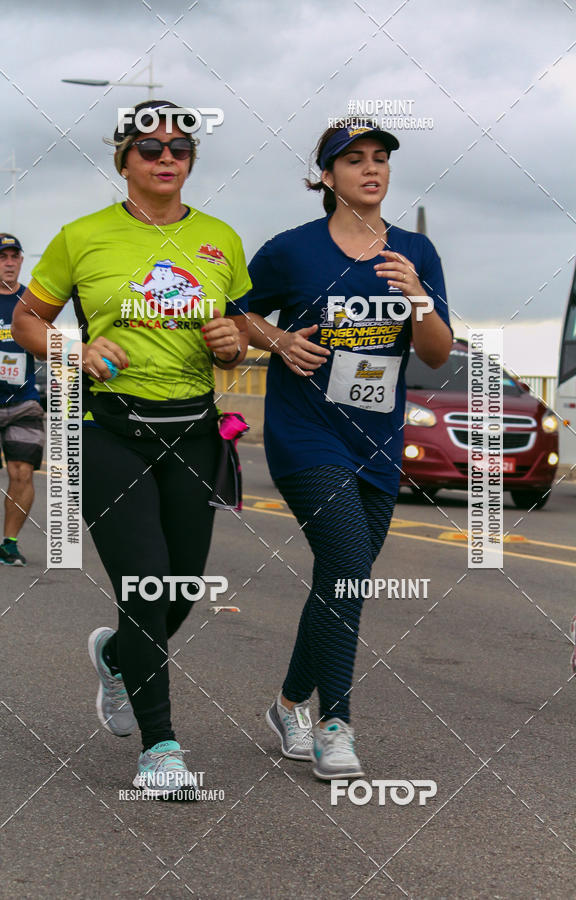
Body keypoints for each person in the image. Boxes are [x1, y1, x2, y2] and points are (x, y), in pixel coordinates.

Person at [12, 100, 250, 798]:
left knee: (177, 587)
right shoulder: (82, 237)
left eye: (180, 146)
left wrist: (235, 340)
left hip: (194, 429)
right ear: (123, 160)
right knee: (145, 580)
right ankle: (161, 748)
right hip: (107, 428)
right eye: (148, 147)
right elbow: (30, 318)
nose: (166, 157)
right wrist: (73, 347)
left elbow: (236, 325)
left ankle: (117, 655)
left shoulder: (221, 238)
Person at [242, 122, 452, 780]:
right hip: (305, 434)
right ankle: (336, 725)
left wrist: (417, 296)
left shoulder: (416, 251)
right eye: (353, 160)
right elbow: (237, 312)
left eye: (380, 159)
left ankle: (285, 704)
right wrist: (277, 341)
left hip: (379, 441)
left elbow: (437, 352)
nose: (371, 169)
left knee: (345, 578)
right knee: (345, 559)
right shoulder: (292, 252)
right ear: (326, 177)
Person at [0, 233, 44, 566]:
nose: (9, 262)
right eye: (1, 256)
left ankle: (9, 543)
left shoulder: (33, 299)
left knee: (22, 472)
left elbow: (45, 338)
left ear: (21, 260)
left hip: (24, 400)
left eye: (14, 256)